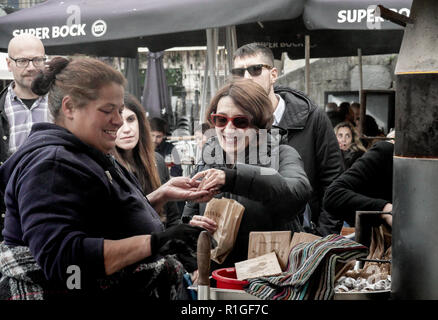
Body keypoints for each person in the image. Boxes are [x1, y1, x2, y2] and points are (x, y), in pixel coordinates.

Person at [0, 57, 211, 299]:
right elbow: (65, 262)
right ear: (69, 108)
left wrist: (160, 195)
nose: (119, 121)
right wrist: (156, 242)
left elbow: (99, 218)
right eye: (107, 110)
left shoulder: (85, 151)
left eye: (120, 111)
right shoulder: (53, 164)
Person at [182, 79, 312, 269]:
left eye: (240, 121)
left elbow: (296, 194)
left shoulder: (283, 153)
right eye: (221, 119)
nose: (228, 129)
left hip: (271, 283)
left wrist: (232, 178)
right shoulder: (208, 159)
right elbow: (187, 219)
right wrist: (192, 230)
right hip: (219, 281)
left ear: (259, 124)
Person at [232, 43, 344, 236]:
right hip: (248, 245)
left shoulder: (312, 118)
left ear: (273, 74)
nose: (247, 78)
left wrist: (321, 239)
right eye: (239, 72)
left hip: (303, 241)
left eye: (255, 69)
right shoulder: (230, 124)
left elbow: (335, 183)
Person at [0, 34, 50, 241]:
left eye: (37, 60)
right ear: (9, 63)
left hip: (56, 210)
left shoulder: (66, 104)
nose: (31, 67)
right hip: (10, 217)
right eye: (22, 61)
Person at [115, 93, 181, 227]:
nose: (126, 129)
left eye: (131, 119)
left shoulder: (157, 161)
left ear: (140, 122)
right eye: (119, 122)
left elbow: (173, 219)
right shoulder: (105, 169)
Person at [323, 133, 395, 228]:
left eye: (347, 136)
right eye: (340, 136)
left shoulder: (358, 154)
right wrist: (384, 208)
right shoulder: (385, 152)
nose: (343, 140)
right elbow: (332, 195)